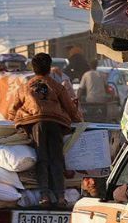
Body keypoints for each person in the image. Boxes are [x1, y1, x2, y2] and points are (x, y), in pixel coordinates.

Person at [8, 53, 82, 208]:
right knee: (57, 159)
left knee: (42, 159)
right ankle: (61, 197)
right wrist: (79, 122)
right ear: (49, 68)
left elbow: (12, 110)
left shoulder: (25, 87)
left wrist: (14, 124)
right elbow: (70, 108)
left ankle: (44, 196)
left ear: (33, 69)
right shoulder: (57, 86)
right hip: (56, 123)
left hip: (35, 124)